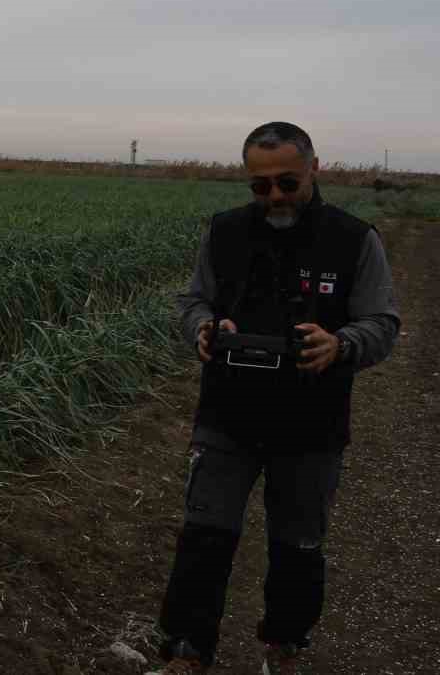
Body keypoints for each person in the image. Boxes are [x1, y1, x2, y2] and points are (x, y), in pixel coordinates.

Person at [153, 122, 401, 674]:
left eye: (288, 183)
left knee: (298, 548)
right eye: (260, 187)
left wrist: (339, 344)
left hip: (312, 424)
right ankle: (187, 653)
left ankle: (283, 647)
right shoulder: (224, 232)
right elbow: (192, 300)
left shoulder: (354, 239)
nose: (275, 197)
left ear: (316, 168)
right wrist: (203, 327)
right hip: (226, 415)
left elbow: (383, 321)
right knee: (204, 540)